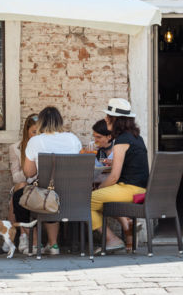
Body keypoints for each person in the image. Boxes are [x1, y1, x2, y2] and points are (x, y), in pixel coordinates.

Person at [20, 106, 82, 255]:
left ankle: (35, 242)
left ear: (41, 122)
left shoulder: (36, 141)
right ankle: (53, 245)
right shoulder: (73, 139)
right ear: (60, 121)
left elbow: (29, 173)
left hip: (47, 197)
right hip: (73, 198)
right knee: (51, 193)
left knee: (19, 198)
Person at [90, 99, 149, 253]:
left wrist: (99, 190)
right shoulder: (136, 137)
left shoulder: (122, 140)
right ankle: (125, 223)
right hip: (140, 189)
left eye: (107, 116)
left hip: (129, 189)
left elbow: (114, 177)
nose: (105, 119)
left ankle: (112, 239)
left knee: (84, 201)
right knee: (101, 201)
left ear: (114, 120)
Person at [8, 113, 38, 253]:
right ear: (27, 131)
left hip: (39, 186)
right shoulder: (15, 148)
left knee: (19, 192)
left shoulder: (43, 145)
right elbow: (15, 176)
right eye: (34, 132)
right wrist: (29, 170)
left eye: (40, 132)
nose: (37, 135)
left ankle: (22, 236)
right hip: (23, 184)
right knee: (20, 187)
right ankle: (24, 235)